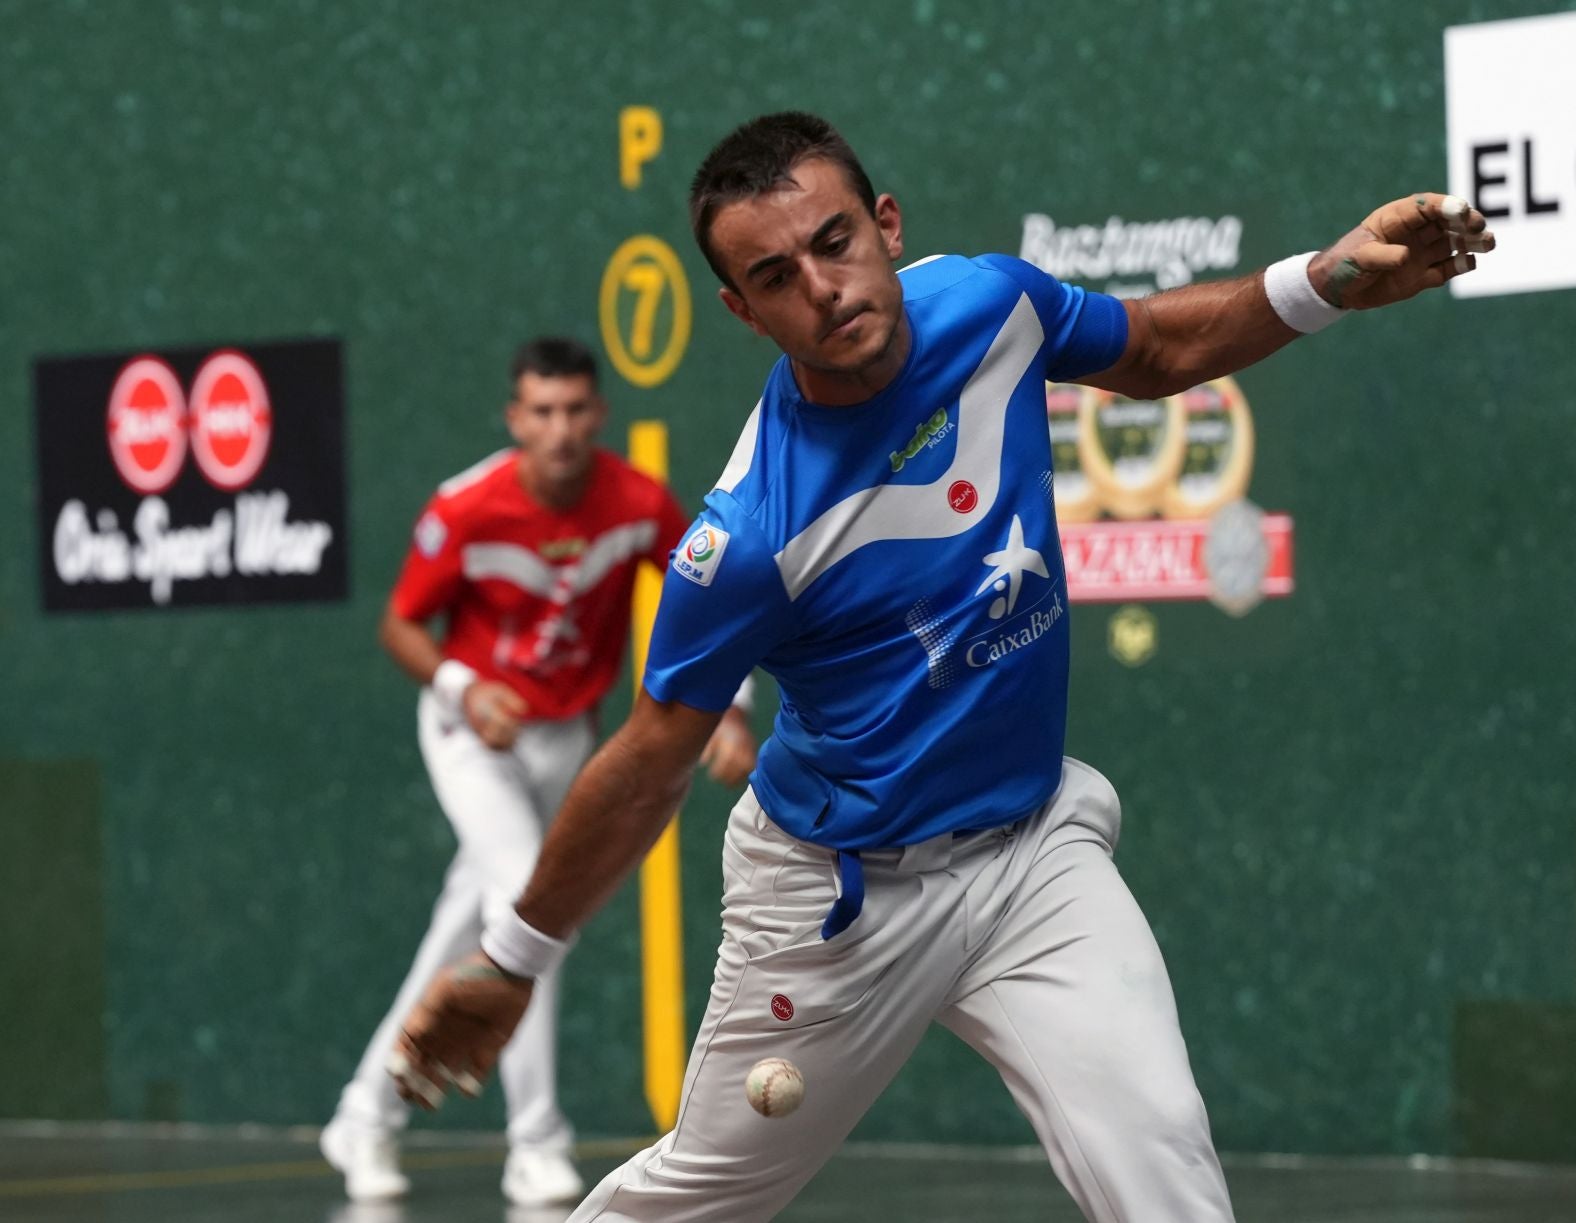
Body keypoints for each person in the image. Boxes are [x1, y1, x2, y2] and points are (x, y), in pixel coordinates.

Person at [387, 114, 1494, 1221]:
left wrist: (1328, 279)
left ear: (886, 224)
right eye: (776, 275)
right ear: (742, 308)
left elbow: (1159, 347)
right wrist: (516, 955)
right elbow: (646, 761)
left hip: (1030, 852)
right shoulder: (751, 538)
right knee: (703, 1191)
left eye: (834, 242)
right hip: (837, 897)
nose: (820, 287)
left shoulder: (991, 305)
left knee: (1163, 1162)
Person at [319, 337, 759, 1207]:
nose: (559, 430)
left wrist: (734, 706)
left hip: (567, 738)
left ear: (597, 415)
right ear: (516, 418)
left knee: (471, 923)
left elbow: (703, 591)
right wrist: (466, 686)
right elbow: (402, 625)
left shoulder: (633, 501)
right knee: (529, 902)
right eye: (541, 412)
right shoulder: (468, 507)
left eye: (574, 411)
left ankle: (364, 1112)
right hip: (471, 732)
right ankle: (536, 1141)